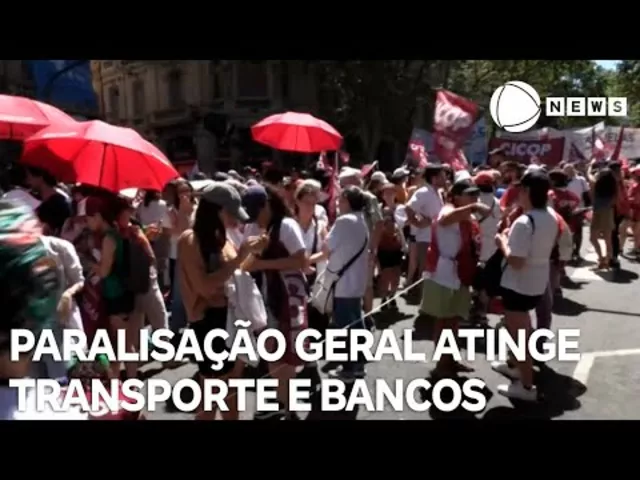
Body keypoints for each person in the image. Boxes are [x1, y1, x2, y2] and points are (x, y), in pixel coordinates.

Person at [178, 182, 265, 420]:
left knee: (229, 387)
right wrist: (240, 257)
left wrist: (252, 253)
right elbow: (204, 286)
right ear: (217, 211)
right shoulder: (191, 240)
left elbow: (235, 273)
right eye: (231, 213)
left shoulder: (221, 238)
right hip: (207, 323)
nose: (235, 220)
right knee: (214, 389)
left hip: (228, 318)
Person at [0, 200, 87, 419]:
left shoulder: (61, 247)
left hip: (57, 323)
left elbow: (78, 280)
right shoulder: (58, 414)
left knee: (57, 366)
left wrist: (67, 294)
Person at [492, 170, 560, 402]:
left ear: (527, 191)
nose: (518, 193)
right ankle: (515, 367)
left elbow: (516, 261)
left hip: (518, 286)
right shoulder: (550, 216)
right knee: (520, 331)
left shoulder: (524, 222)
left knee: (518, 337)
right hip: (536, 282)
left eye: (521, 189)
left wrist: (502, 242)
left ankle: (527, 386)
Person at [242, 184, 308, 420]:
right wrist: (254, 254)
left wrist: (263, 263)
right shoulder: (255, 228)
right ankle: (284, 402)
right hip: (267, 297)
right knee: (273, 354)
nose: (256, 219)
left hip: (289, 297)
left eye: (258, 212)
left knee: (285, 355)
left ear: (268, 205)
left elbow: (301, 261)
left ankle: (288, 405)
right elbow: (245, 266)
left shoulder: (286, 226)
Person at [420, 179, 486, 377]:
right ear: (456, 196)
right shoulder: (448, 210)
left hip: (460, 273)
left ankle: (452, 360)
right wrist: (474, 207)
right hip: (443, 275)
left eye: (476, 195)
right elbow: (444, 219)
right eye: (470, 194)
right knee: (443, 322)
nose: (475, 198)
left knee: (454, 320)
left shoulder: (467, 215)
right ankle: (442, 365)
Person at [84, 196, 135, 379]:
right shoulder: (113, 234)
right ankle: (125, 381)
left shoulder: (109, 238)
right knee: (122, 343)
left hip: (116, 295)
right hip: (118, 293)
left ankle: (124, 383)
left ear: (98, 216)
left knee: (120, 344)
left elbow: (105, 271)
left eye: (89, 218)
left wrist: (89, 264)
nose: (87, 223)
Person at [325, 186, 370, 381]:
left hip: (343, 282)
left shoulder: (344, 221)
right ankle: (358, 364)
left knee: (345, 326)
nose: (338, 203)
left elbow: (327, 246)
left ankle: (349, 368)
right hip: (356, 281)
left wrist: (323, 230)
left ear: (348, 201)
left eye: (341, 200)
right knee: (356, 323)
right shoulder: (361, 219)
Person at [405, 164, 446, 304]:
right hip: (425, 238)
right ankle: (423, 303)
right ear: (434, 178)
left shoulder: (437, 192)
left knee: (433, 271)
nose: (445, 179)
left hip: (436, 238)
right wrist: (416, 223)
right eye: (442, 176)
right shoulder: (423, 192)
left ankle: (429, 302)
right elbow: (409, 207)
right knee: (425, 270)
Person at [25, 166, 71, 236]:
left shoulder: (59, 203)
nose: (27, 181)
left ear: (40, 177)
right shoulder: (35, 199)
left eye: (29, 177)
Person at [588, 163, 617, 269]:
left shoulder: (595, 184)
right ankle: (607, 261)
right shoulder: (614, 187)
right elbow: (615, 200)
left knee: (593, 238)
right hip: (608, 211)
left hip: (598, 212)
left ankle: (601, 259)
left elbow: (589, 176)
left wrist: (590, 167)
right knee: (608, 239)